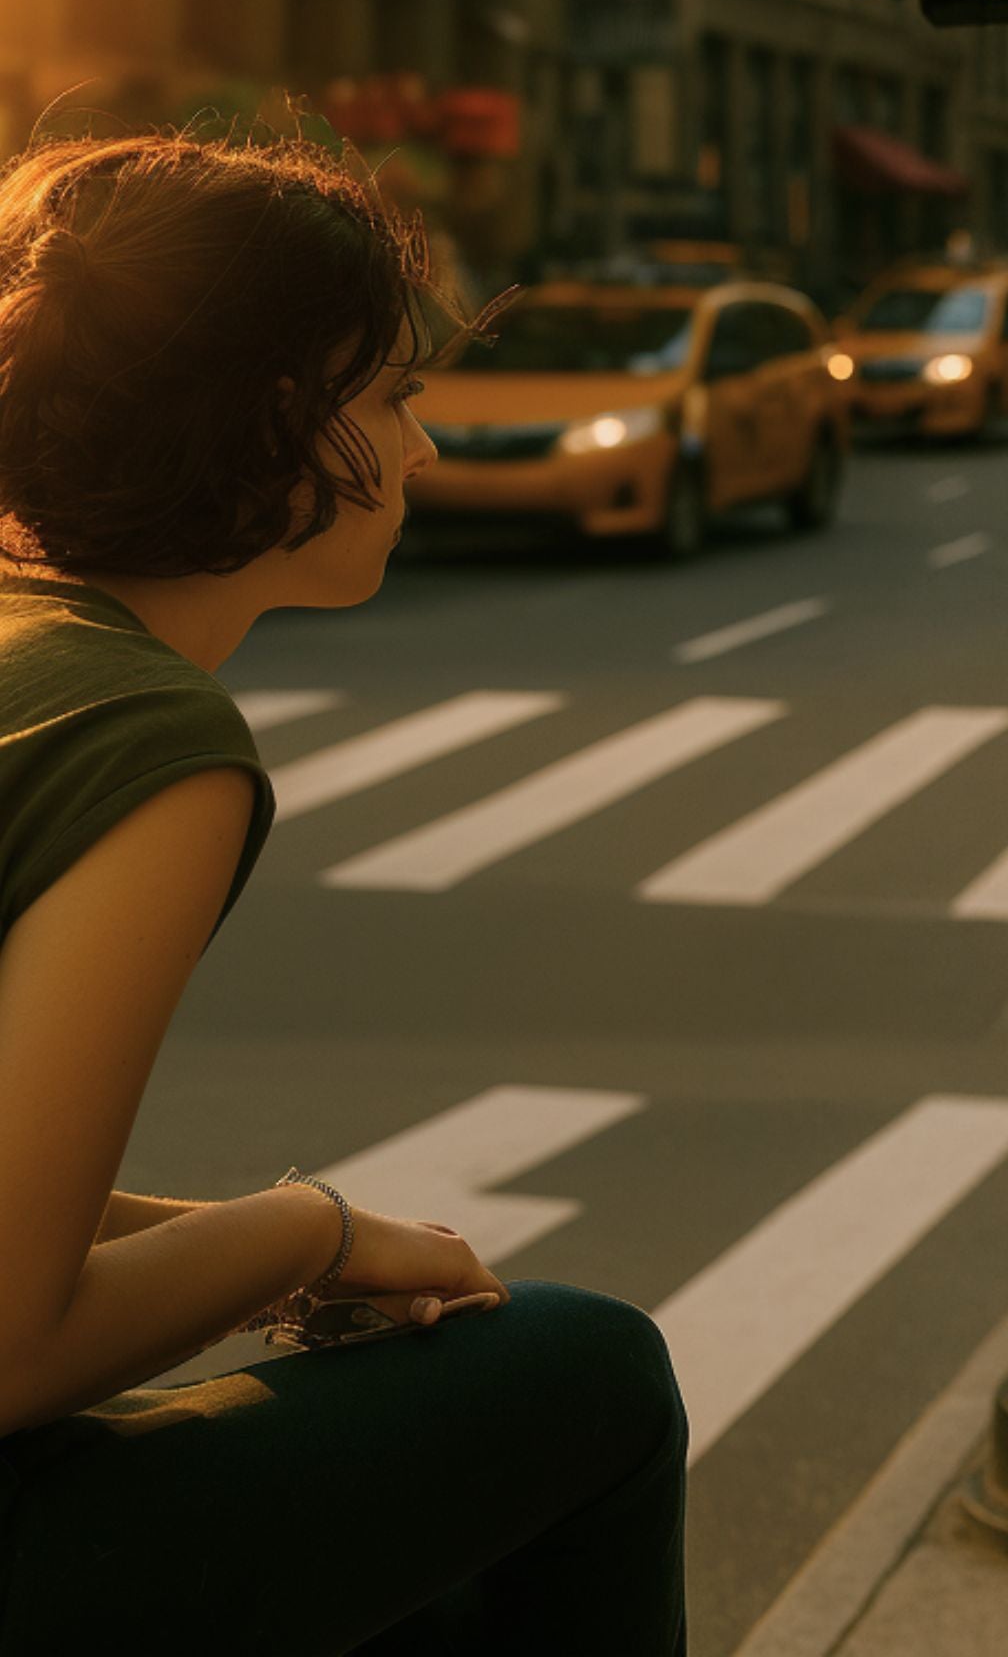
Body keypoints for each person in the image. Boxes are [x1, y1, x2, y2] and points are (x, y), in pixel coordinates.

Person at [0, 130, 688, 1654]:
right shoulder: (146, 738)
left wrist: (298, 1246)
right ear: (275, 421)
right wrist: (305, 1236)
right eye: (396, 396)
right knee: (586, 1376)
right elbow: (8, 1336)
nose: (426, 450)